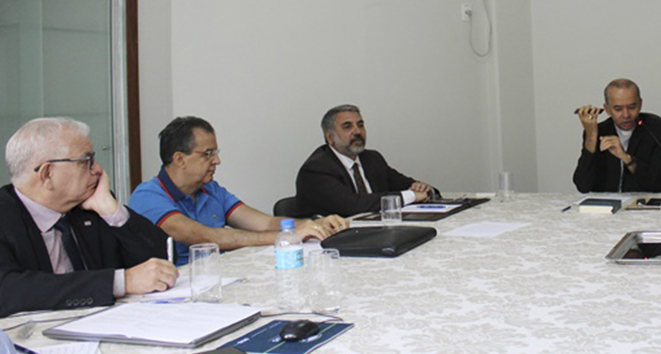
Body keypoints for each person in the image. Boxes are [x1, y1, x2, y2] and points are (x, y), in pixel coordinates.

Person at [0, 118, 176, 317]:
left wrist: (113, 211)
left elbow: (165, 257)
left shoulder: (90, 206)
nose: (97, 170)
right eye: (86, 162)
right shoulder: (5, 216)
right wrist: (120, 282)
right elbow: (8, 291)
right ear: (47, 173)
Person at [130, 117, 349, 266]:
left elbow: (263, 223)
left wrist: (313, 224)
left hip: (224, 278)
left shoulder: (210, 189)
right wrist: (288, 237)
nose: (217, 160)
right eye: (208, 154)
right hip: (179, 293)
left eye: (216, 152)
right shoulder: (147, 196)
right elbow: (204, 236)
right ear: (180, 159)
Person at [296, 105, 436, 217]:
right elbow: (352, 206)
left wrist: (423, 189)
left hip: (375, 231)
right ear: (330, 137)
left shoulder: (372, 158)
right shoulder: (316, 169)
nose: (357, 131)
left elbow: (405, 184)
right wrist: (411, 195)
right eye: (347, 127)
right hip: (334, 240)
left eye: (360, 125)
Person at [573, 79, 661, 193]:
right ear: (607, 109)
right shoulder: (599, 131)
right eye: (618, 109)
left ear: (640, 104)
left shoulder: (658, 130)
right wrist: (591, 136)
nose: (626, 114)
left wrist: (626, 159)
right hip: (605, 206)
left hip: (642, 205)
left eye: (632, 107)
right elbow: (583, 186)